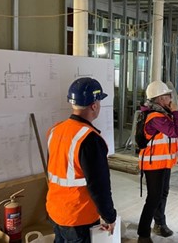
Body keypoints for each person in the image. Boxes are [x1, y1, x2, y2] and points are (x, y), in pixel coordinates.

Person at [46, 77, 117, 243]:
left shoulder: (55, 130)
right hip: (79, 218)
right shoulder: (90, 139)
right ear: (94, 105)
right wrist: (109, 216)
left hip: (55, 211)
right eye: (99, 101)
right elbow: (99, 186)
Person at [137, 80, 178, 243]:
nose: (171, 99)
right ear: (160, 99)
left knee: (162, 194)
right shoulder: (155, 117)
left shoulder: (162, 114)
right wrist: (176, 112)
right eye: (168, 96)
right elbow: (177, 132)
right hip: (153, 164)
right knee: (154, 197)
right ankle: (143, 234)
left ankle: (159, 224)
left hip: (163, 162)